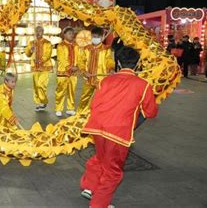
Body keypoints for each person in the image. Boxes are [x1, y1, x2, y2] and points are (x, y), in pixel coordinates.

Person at [79, 46, 158, 208]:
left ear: (119, 63)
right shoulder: (143, 85)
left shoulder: (106, 80)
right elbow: (151, 112)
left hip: (97, 127)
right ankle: (99, 204)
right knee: (113, 171)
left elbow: (94, 104)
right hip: (118, 132)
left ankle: (89, 186)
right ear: (137, 65)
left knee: (101, 158)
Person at [77, 27, 115, 114]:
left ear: (102, 37)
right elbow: (81, 61)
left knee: (102, 98)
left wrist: (111, 69)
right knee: (84, 97)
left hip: (101, 79)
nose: (95, 39)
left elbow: (109, 60)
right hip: (88, 78)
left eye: (97, 37)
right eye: (93, 36)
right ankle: (80, 115)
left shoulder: (106, 49)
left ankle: (100, 115)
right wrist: (84, 71)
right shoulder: (86, 48)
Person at [24, 26, 53, 111]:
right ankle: (40, 103)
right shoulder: (31, 43)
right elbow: (27, 54)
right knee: (36, 86)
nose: (38, 32)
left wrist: (41, 60)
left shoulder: (47, 43)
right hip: (35, 68)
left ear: (43, 32)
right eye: (36, 31)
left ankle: (44, 101)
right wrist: (30, 50)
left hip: (45, 67)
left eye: (40, 31)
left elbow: (48, 54)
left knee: (41, 85)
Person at [55, 27, 79, 117]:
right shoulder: (60, 46)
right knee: (60, 91)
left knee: (72, 91)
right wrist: (70, 67)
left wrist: (77, 66)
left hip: (74, 72)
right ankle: (58, 108)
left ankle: (70, 108)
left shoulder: (76, 45)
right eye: (69, 33)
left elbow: (79, 56)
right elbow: (61, 59)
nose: (71, 35)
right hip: (63, 72)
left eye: (72, 33)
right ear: (64, 35)